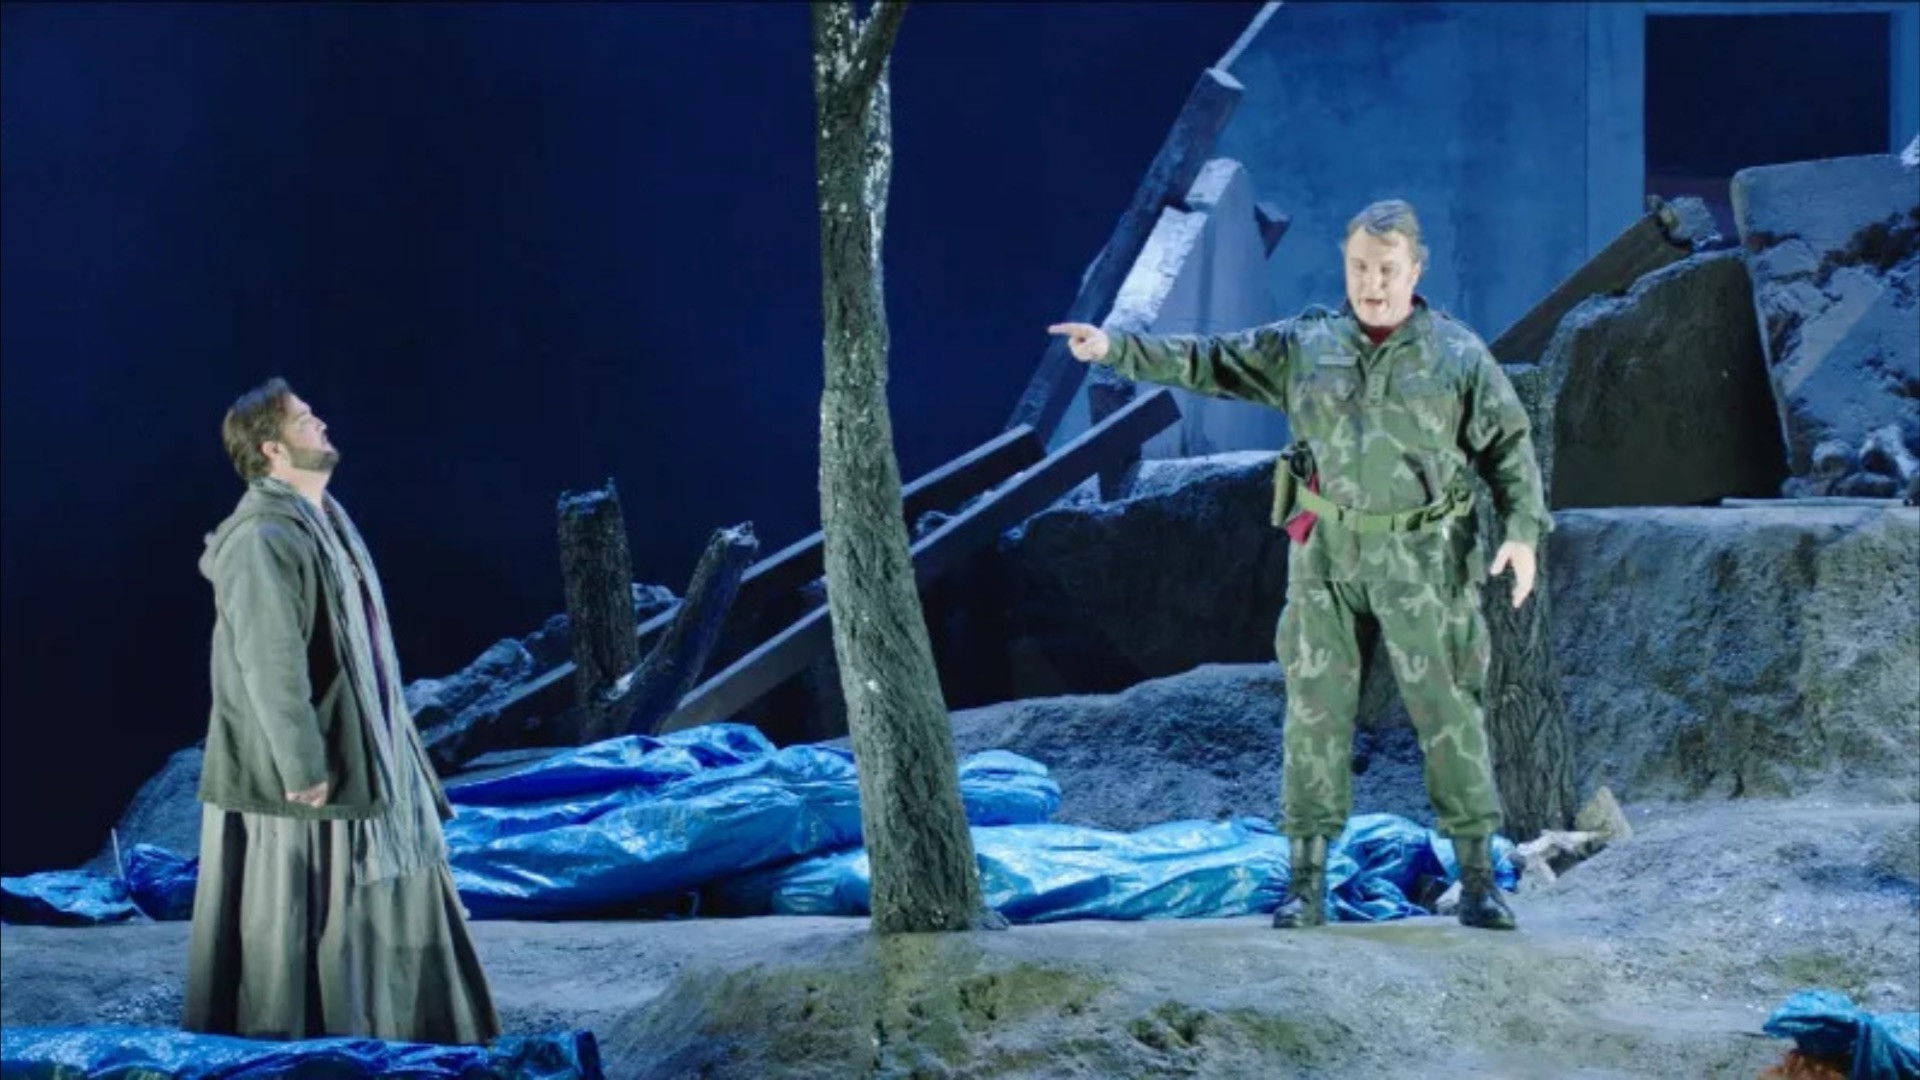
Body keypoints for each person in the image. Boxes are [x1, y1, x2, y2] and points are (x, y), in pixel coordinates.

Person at [1049, 199, 1548, 931]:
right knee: (1315, 716)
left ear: (1415, 270)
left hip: (1423, 558)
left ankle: (1477, 882)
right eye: (1359, 267)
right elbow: (1210, 360)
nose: (1372, 284)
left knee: (1449, 712)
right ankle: (1306, 883)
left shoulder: (1456, 355)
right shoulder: (1305, 346)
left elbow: (1508, 445)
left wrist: (1523, 532)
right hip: (1325, 557)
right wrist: (1114, 348)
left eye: (1387, 270)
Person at [185, 378, 500, 1041]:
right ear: (271, 449)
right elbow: (269, 661)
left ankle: (407, 1030)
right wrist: (302, 764)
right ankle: (311, 1039)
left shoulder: (324, 519)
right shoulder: (265, 536)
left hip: (369, 744)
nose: (321, 424)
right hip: (309, 764)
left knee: (390, 885)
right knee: (309, 906)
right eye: (304, 419)